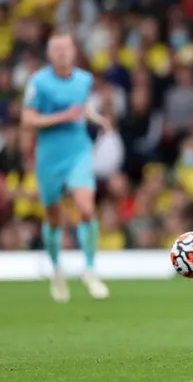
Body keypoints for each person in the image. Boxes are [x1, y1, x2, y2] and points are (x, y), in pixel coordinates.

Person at [21, 33, 111, 303]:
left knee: (86, 207)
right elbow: (27, 118)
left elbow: (81, 108)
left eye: (65, 48)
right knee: (53, 217)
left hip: (78, 151)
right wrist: (62, 116)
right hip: (49, 155)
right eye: (56, 49)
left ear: (73, 51)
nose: (61, 53)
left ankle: (90, 269)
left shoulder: (84, 79)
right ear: (50, 54)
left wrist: (96, 117)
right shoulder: (38, 82)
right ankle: (57, 269)